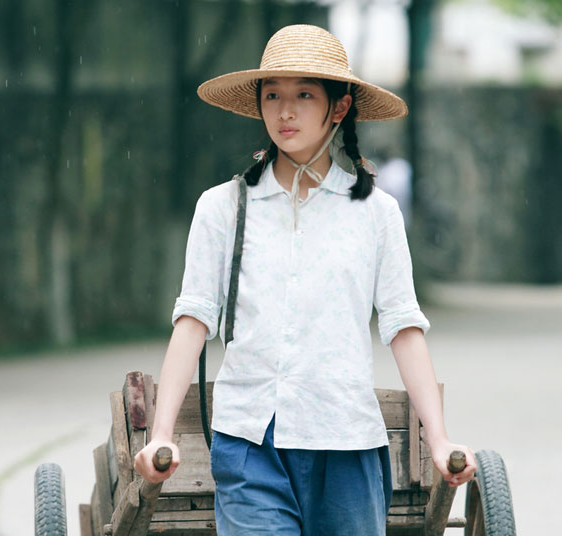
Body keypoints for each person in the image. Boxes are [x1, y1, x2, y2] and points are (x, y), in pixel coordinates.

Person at [134, 24, 476, 535]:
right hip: (250, 443)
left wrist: (441, 440)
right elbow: (193, 319)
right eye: (272, 95)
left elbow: (404, 328)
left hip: (346, 443)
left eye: (303, 95)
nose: (284, 111)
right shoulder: (223, 207)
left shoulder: (376, 214)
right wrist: (161, 434)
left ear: (338, 108)